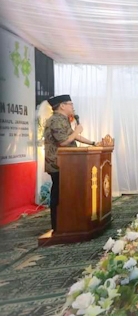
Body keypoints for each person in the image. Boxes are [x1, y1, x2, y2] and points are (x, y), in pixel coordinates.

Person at [44, 94, 97, 231]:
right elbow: (63, 142)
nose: (73, 107)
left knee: (67, 193)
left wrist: (93, 143)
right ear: (62, 106)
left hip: (66, 163)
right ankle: (58, 225)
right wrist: (77, 130)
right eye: (71, 104)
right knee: (59, 194)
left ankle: (68, 222)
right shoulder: (56, 120)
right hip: (58, 164)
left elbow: (73, 136)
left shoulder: (62, 119)